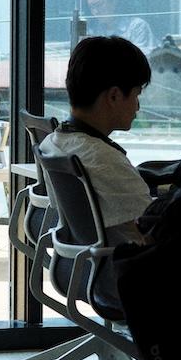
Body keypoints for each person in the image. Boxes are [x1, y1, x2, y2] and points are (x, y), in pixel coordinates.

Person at [38, 35, 153, 247]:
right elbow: (151, 229)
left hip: (84, 271)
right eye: (136, 95)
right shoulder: (104, 159)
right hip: (126, 272)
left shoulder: (52, 144)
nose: (137, 106)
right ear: (114, 96)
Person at [84, 0, 155, 53]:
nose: (95, 12)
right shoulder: (93, 30)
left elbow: (142, 59)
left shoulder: (137, 26)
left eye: (99, 5)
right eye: (91, 7)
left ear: (114, 1)